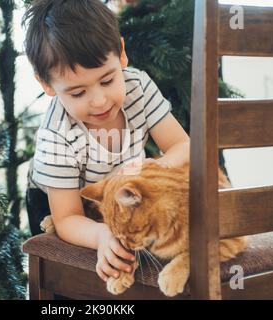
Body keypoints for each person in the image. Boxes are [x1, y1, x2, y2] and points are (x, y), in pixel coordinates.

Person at [22, 0, 190, 283]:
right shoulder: (56, 135)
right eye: (77, 93)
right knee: (73, 280)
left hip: (115, 196)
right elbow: (66, 219)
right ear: (47, 85)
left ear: (122, 54)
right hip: (60, 203)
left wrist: (157, 169)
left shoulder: (138, 87)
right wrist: (101, 235)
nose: (99, 101)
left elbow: (183, 146)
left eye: (108, 80)